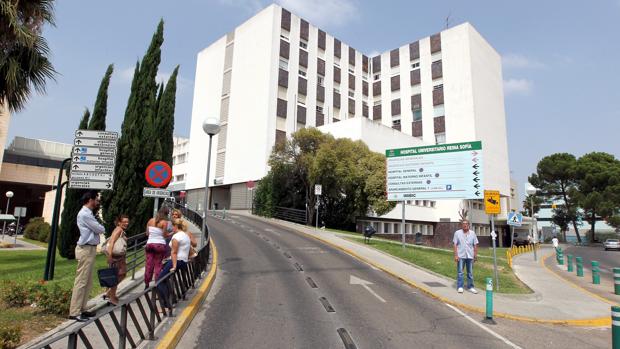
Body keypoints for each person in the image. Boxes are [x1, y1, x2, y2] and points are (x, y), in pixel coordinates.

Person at [69, 191, 105, 322]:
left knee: (88, 281)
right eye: (96, 199)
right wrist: (100, 227)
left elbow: (98, 228)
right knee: (81, 281)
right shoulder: (85, 214)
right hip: (86, 249)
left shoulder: (88, 213)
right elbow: (100, 229)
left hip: (90, 249)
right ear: (90, 200)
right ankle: (74, 311)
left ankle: (82, 308)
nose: (97, 201)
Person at [157, 218, 192, 309]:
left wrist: (174, 265)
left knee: (159, 281)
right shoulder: (186, 235)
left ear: (176, 226)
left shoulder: (176, 237)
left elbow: (174, 252)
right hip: (183, 261)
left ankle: (167, 303)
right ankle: (172, 297)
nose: (171, 227)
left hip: (177, 261)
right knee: (165, 278)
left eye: (172, 226)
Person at [105, 214, 129, 306]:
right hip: (116, 258)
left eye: (127, 222)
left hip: (119, 257)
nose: (126, 223)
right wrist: (109, 257)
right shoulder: (118, 230)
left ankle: (110, 293)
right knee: (118, 275)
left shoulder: (120, 230)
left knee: (120, 274)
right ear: (119, 222)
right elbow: (111, 243)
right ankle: (111, 296)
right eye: (124, 222)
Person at [144, 207, 171, 288]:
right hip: (159, 245)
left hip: (149, 244)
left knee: (149, 265)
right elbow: (165, 235)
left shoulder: (150, 220)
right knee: (158, 265)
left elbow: (147, 234)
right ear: (166, 214)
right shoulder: (164, 222)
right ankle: (157, 283)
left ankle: (146, 283)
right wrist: (172, 233)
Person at [453, 219, 479, 294]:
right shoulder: (457, 233)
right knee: (460, 272)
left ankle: (470, 287)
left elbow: (475, 244)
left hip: (470, 255)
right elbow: (455, 244)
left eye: (466, 224)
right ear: (461, 225)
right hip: (461, 255)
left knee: (470, 272)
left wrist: (475, 255)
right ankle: (460, 286)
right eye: (463, 224)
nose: (465, 225)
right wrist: (456, 255)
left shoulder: (473, 233)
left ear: (468, 225)